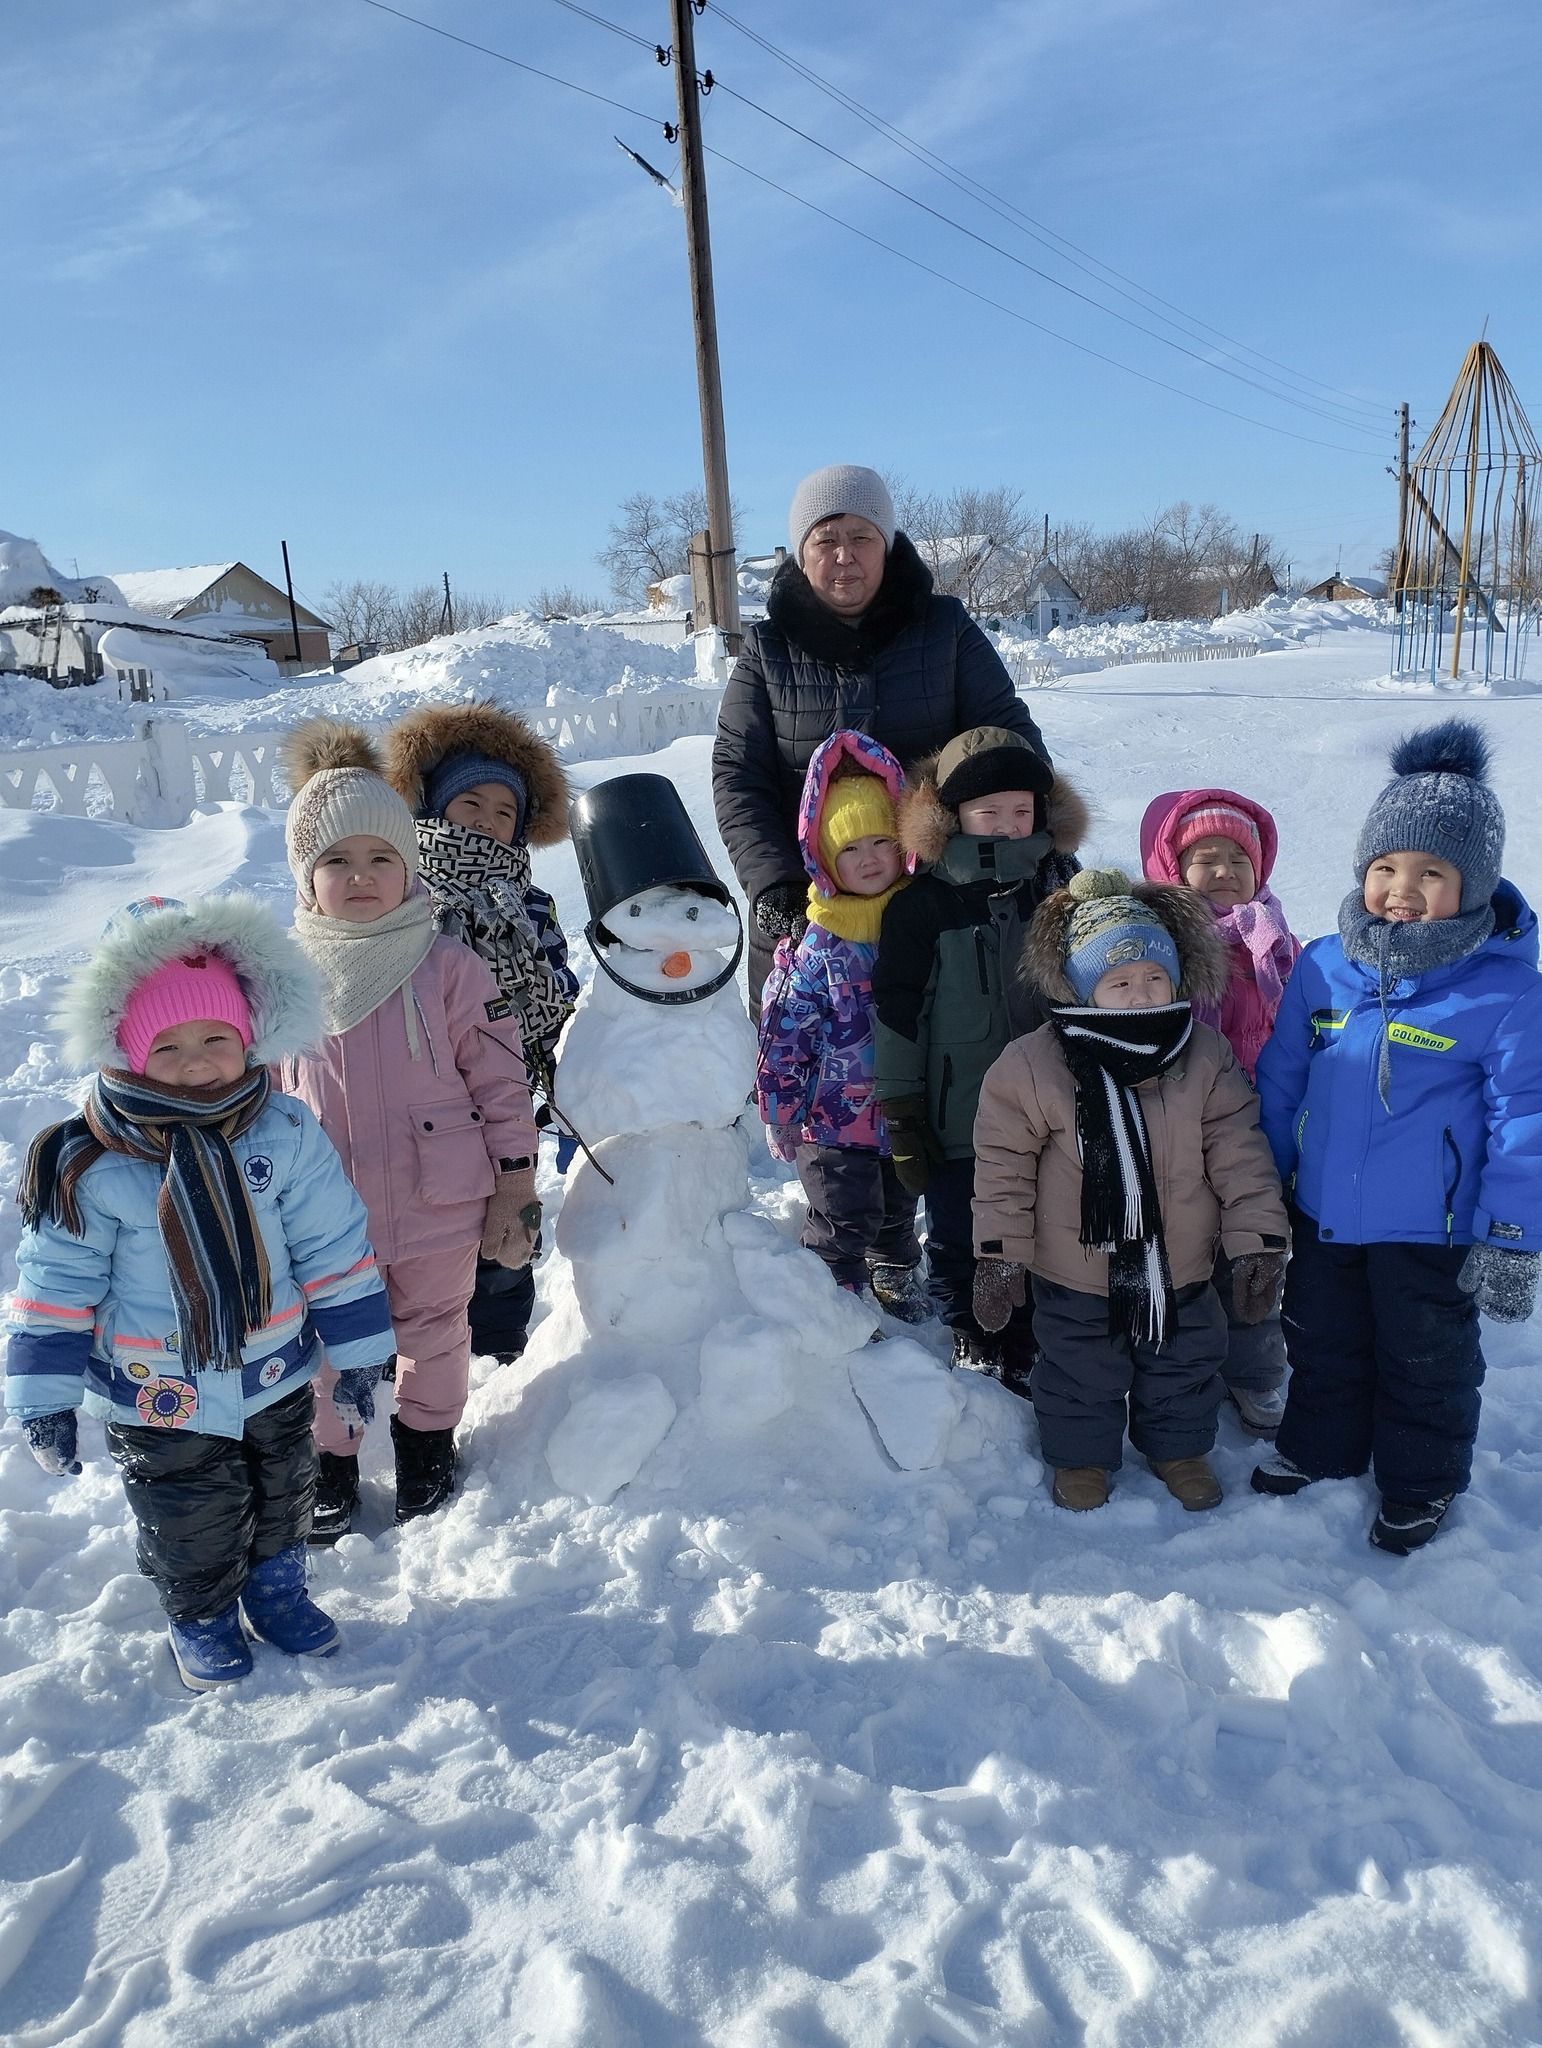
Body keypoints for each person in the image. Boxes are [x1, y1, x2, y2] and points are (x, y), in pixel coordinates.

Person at [5, 895, 395, 1690]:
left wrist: (360, 1355)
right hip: (159, 1390)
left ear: (249, 1037)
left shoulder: (283, 1131)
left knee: (285, 1490)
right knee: (189, 1513)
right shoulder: (89, 1162)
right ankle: (202, 1615)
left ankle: (277, 1591)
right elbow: (54, 1288)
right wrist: (43, 1398)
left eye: (216, 1038)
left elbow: (334, 1250)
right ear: (126, 1049)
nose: (196, 1063)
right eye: (169, 1045)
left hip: (273, 1372)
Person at [1252, 720, 1542, 1554]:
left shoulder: (1506, 994)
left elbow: (1525, 1122)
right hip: (1323, 1213)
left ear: (1474, 884)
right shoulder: (1323, 965)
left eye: (1430, 873)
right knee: (1322, 1340)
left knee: (1426, 1360)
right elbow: (1281, 1080)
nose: (1401, 890)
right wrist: (1265, 1185)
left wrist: (1512, 1237)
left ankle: (1421, 1482)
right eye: (1385, 867)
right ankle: (1321, 1449)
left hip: (1431, 1228)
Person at [278, 721, 539, 1538]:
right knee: (328, 1343)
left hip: (439, 1200)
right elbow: (254, 1100)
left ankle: (426, 1444)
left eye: (381, 858)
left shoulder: (448, 965)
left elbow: (501, 1081)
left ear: (409, 866)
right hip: (324, 1216)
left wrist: (516, 1182)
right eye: (337, 861)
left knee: (436, 1330)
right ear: (305, 875)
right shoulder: (281, 979)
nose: (361, 876)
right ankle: (331, 1462)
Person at [972, 870, 1288, 1512]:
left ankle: (1179, 1450)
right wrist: (1000, 1254)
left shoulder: (1203, 1054)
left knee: (1183, 1362)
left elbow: (1240, 1152)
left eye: (1154, 977)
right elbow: (1004, 1168)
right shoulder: (1034, 1064)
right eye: (1119, 983)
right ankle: (1081, 1457)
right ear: (1082, 988)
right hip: (1076, 1268)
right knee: (1079, 1370)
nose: (1141, 994)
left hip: (1183, 1263)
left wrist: (1257, 1239)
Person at [712, 464, 1049, 1014]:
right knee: (803, 1058)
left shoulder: (945, 629)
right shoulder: (767, 650)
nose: (844, 555)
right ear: (802, 554)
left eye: (862, 537)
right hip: (810, 915)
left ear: (887, 546)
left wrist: (1045, 834)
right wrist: (774, 883)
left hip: (941, 906)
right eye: (826, 540)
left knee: (950, 1051)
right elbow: (737, 776)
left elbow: (1007, 742)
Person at [872, 724, 1085, 1378]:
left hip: (1050, 1112)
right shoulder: (920, 907)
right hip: (956, 1116)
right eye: (988, 811)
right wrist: (903, 1111)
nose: (1007, 824)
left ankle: (1029, 1334)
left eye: (1021, 810)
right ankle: (971, 1329)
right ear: (952, 815)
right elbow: (899, 1014)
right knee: (961, 1230)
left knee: (1044, 1225)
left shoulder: (1058, 891)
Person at [382, 701, 577, 1365]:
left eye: (504, 811)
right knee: (435, 1233)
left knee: (507, 1226)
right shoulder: (409, 898)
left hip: (508, 1097)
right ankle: (423, 1362)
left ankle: (500, 1353)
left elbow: (555, 984)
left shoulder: (531, 903)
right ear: (434, 808)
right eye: (471, 803)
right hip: (429, 1106)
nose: (488, 821)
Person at [1140, 786, 1302, 1436]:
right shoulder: (1153, 945)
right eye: (1206, 858)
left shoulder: (1277, 943)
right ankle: (1176, 1371)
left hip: (1256, 1138)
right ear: (1171, 867)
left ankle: (1254, 1372)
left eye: (1240, 859)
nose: (1226, 871)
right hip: (1175, 1136)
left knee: (1253, 1257)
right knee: (1180, 1262)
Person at [755, 729, 926, 1318]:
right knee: (844, 1217)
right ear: (825, 858)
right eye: (851, 848)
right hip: (831, 1124)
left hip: (903, 1111)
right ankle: (834, 1298)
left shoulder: (917, 929)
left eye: (882, 841)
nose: (870, 857)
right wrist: (781, 1111)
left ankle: (894, 1269)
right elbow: (784, 1038)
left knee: (899, 1207)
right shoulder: (817, 949)